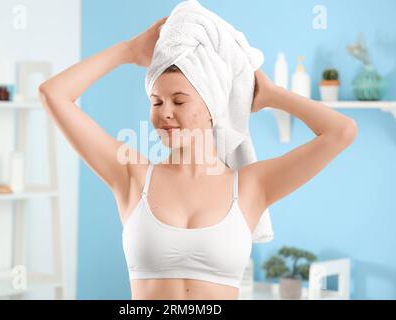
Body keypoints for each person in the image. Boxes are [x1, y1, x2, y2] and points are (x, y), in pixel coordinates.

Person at [39, 17, 357, 300]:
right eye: (156, 101)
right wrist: (129, 50)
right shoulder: (132, 176)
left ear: (211, 108)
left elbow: (341, 131)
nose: (165, 113)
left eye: (179, 101)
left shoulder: (251, 186)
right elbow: (53, 93)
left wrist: (272, 95)